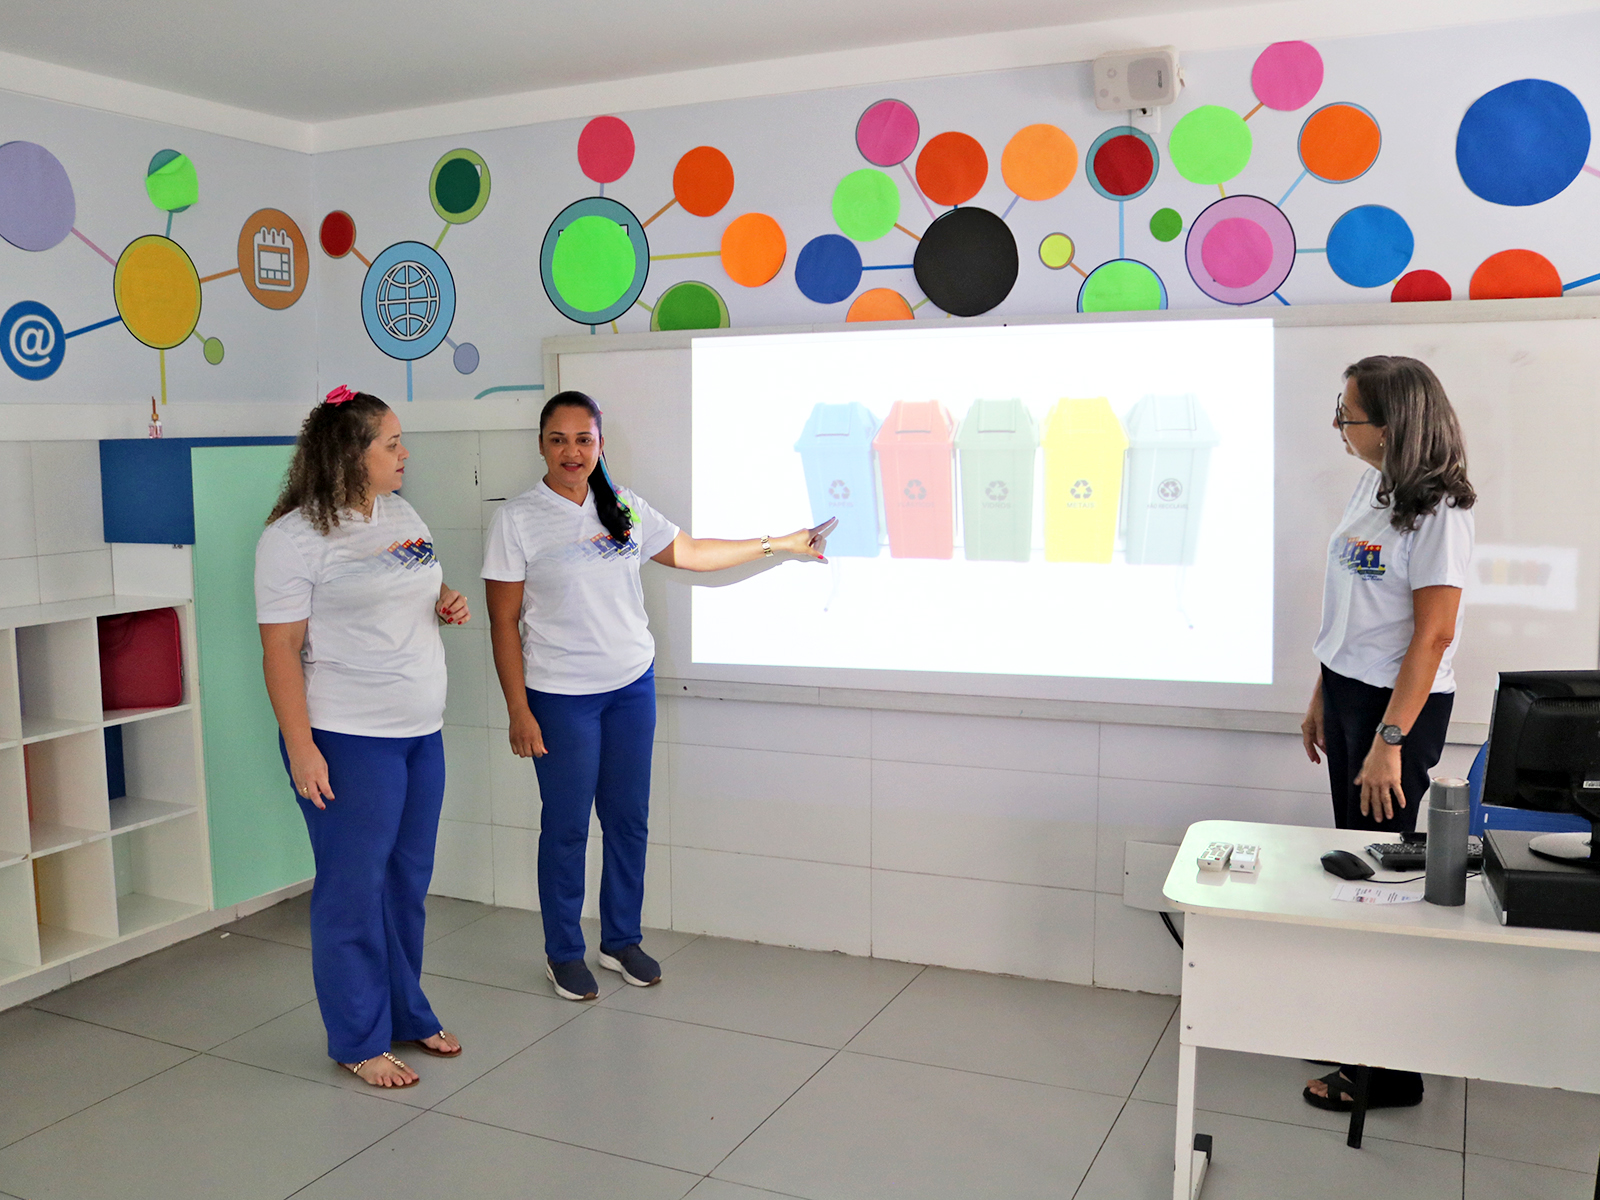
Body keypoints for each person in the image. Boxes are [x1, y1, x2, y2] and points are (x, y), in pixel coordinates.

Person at [482, 390, 833, 1001]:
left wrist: (780, 543)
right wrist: (519, 709)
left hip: (629, 689)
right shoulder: (517, 520)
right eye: (559, 440)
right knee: (566, 828)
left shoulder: (623, 506)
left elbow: (691, 552)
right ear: (541, 445)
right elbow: (503, 622)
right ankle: (563, 952)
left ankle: (620, 939)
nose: (572, 452)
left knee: (628, 820)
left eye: (584, 440)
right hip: (561, 698)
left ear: (600, 445)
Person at [256, 386, 473, 1089]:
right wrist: (301, 748)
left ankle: (405, 1012)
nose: (405, 453)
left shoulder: (401, 513)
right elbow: (280, 649)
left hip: (419, 733)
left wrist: (443, 600)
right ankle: (357, 1038)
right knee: (352, 892)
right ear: (352, 454)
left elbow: (413, 588)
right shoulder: (292, 539)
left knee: (406, 884)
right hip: (348, 739)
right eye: (392, 443)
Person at [1299, 356, 1476, 1113]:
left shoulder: (1441, 512)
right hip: (1350, 695)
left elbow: (1432, 636)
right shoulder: (1372, 486)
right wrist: (1323, 692)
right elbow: (1352, 606)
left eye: (1350, 414)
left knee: (1383, 886)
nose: (1340, 426)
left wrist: (1389, 740)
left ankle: (1391, 1069)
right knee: (1357, 872)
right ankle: (1360, 1032)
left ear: (1393, 424)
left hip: (1396, 711)